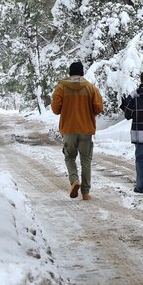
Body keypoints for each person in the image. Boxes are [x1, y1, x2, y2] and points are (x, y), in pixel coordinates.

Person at [51, 61, 104, 200]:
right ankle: (85, 193)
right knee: (86, 160)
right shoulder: (90, 87)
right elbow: (99, 108)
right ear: (82, 72)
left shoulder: (62, 87)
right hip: (86, 129)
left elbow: (55, 109)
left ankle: (74, 180)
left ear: (70, 72)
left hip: (68, 129)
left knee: (69, 157)